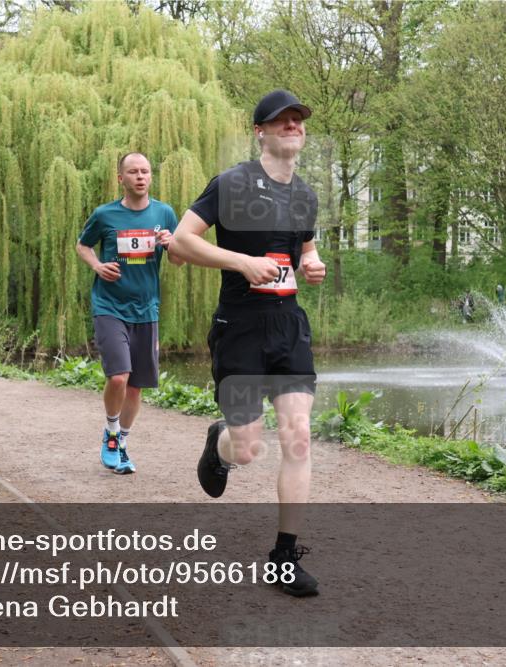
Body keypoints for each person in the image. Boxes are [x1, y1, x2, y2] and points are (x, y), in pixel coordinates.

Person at [170, 90, 326, 597]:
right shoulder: (232, 183)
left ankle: (283, 557)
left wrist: (311, 262)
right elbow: (181, 241)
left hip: (288, 325)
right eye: (282, 121)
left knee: (298, 435)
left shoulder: (305, 196)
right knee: (248, 447)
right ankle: (220, 444)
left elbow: (305, 247)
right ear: (259, 131)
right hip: (239, 325)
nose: (293, 126)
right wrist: (240, 262)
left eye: (298, 120)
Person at [76, 152, 182, 475]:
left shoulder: (164, 213)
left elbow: (179, 260)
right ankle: (110, 433)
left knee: (135, 386)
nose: (140, 176)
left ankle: (122, 441)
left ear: (151, 177)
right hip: (109, 306)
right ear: (120, 178)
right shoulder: (105, 215)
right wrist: (97, 265)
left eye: (145, 171)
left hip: (146, 310)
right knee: (119, 376)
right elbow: (82, 245)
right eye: (133, 172)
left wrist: (171, 244)